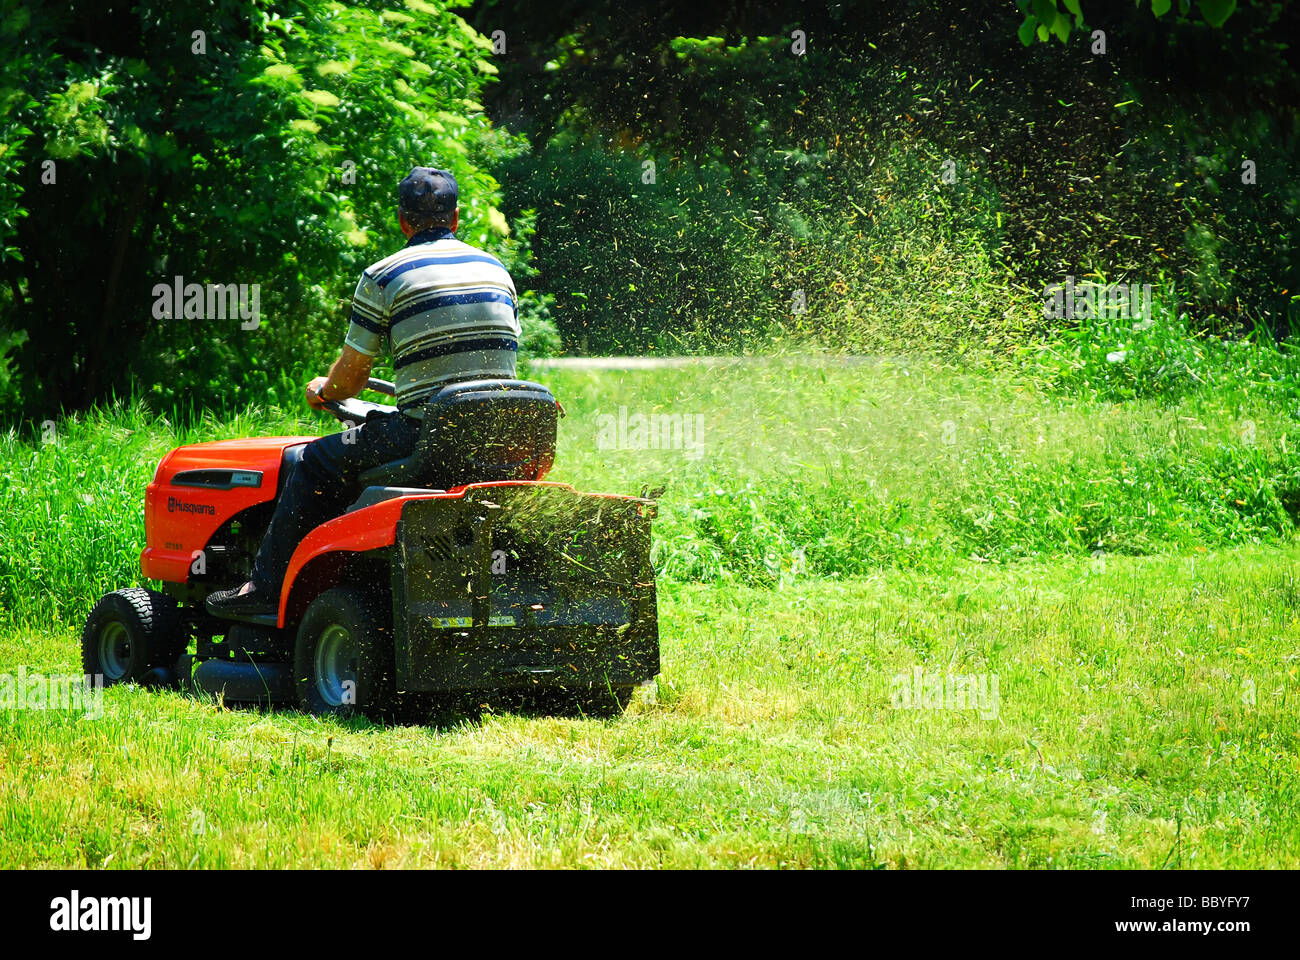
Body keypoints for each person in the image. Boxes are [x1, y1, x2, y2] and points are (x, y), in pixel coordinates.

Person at [206, 167, 519, 618]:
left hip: (426, 434)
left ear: (402, 221)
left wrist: (323, 389)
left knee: (312, 462)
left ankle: (267, 589)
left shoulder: (384, 275)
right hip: (496, 432)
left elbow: (350, 381)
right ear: (455, 219)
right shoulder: (496, 270)